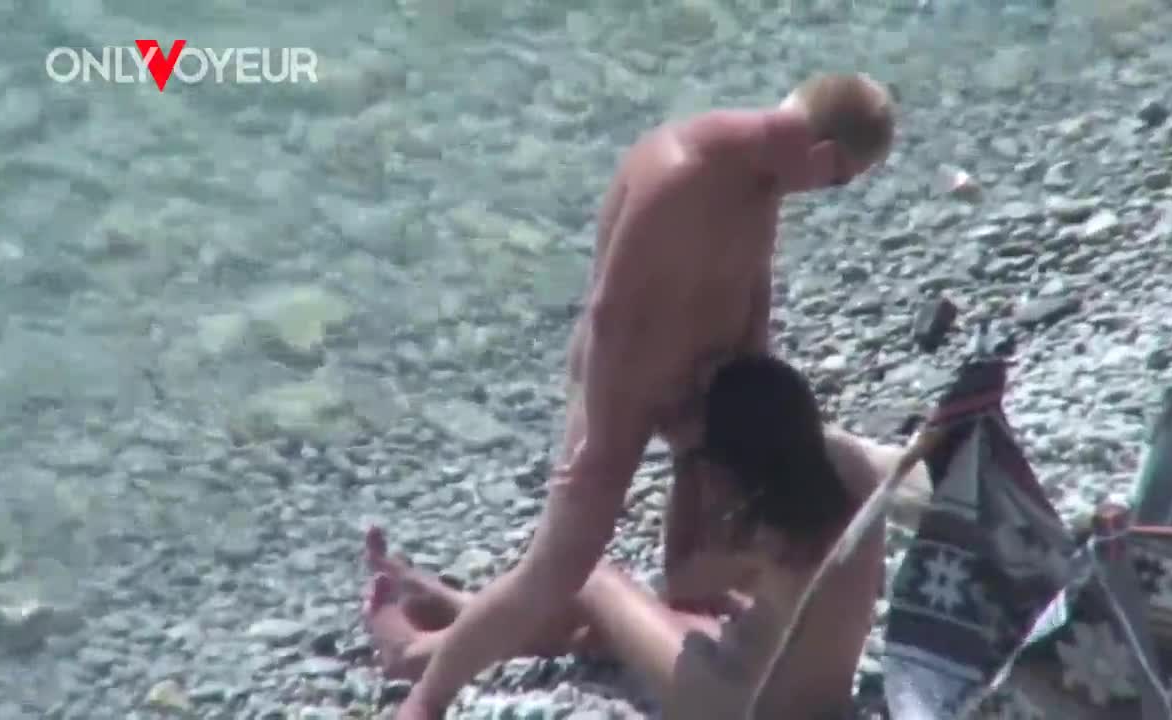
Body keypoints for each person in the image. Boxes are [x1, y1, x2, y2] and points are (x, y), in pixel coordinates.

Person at [371, 71, 931, 716]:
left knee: (688, 580)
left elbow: (754, 287)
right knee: (563, 563)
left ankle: (478, 623)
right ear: (822, 155)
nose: (831, 193)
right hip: (622, 394)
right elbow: (610, 315)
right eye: (839, 181)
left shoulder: (763, 176)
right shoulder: (681, 171)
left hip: (711, 399)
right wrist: (603, 433)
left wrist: (751, 391)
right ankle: (427, 694)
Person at [365, 354, 885, 718]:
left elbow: (681, 581)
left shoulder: (764, 534)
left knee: (590, 579)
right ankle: (467, 612)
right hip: (820, 698)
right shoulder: (852, 472)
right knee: (602, 632)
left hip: (736, 706)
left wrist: (685, 459)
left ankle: (413, 654)